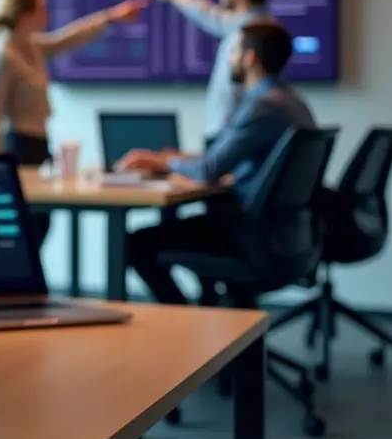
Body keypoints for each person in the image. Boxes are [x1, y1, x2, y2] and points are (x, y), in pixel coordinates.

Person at [117, 21, 315, 305]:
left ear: (250, 58)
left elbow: (210, 170)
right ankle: (202, 321)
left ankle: (184, 323)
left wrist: (163, 161)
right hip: (283, 234)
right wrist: (177, 160)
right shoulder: (291, 100)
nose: (228, 60)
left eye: (233, 52)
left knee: (133, 245)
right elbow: (227, 162)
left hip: (251, 236)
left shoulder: (263, 105)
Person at [0, 0, 146, 247]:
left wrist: (110, 17)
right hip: (18, 147)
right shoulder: (4, 58)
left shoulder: (33, 47)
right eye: (42, 8)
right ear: (25, 15)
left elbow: (69, 38)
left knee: (41, 222)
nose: (47, 14)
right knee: (28, 227)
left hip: (38, 145)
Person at [146, 0, 275, 145]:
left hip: (232, 135)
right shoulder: (249, 26)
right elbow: (209, 14)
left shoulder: (252, 30)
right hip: (228, 132)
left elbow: (207, 13)